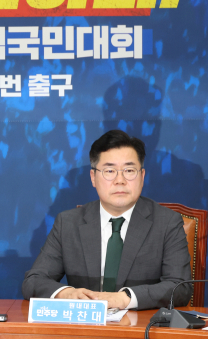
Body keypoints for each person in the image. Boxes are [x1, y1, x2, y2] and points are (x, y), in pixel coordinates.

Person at [23, 130, 192, 310]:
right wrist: (67, 294)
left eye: (129, 170)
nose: (120, 180)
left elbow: (180, 287)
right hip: (85, 324)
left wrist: (125, 299)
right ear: (93, 178)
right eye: (109, 171)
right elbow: (33, 281)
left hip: (141, 325)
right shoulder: (68, 223)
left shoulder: (167, 223)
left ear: (142, 177)